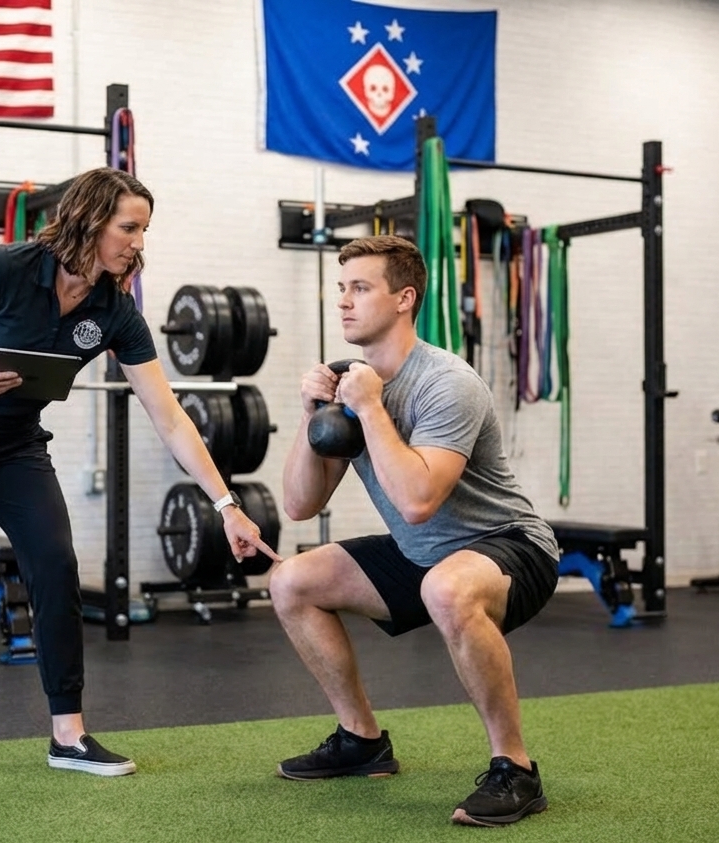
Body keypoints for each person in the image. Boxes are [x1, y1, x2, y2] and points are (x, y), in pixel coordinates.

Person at [0, 167, 280, 788]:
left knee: (54, 564)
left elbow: (170, 416)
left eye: (144, 230)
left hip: (12, 442)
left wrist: (226, 504)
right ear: (90, 221)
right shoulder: (5, 268)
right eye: (129, 228)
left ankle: (68, 734)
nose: (138, 242)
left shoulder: (114, 311)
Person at [270, 235, 559, 827]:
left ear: (404, 298)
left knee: (446, 589)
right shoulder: (350, 386)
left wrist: (372, 410)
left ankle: (516, 769)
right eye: (341, 288)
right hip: (422, 553)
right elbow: (299, 504)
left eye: (360, 288)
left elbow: (419, 500)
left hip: (509, 546)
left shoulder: (446, 383)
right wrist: (311, 415)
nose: (343, 301)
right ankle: (361, 741)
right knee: (291, 581)